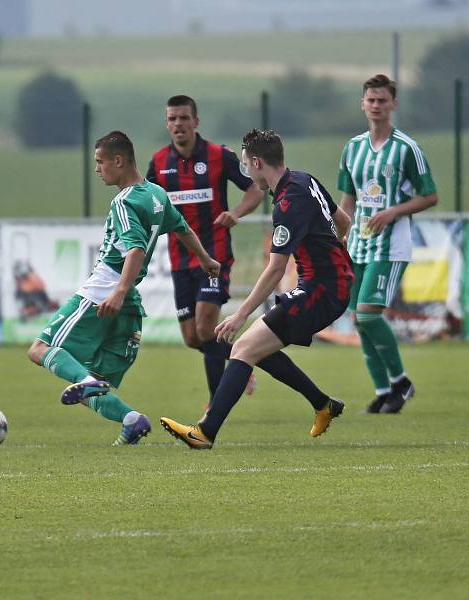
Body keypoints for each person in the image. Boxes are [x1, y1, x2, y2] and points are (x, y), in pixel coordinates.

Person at [161, 129, 354, 449]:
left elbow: (276, 267)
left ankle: (205, 432)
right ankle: (323, 404)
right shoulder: (304, 179)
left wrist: (241, 313)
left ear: (257, 161)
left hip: (323, 290)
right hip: (327, 285)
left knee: (244, 347)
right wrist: (336, 256)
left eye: (246, 165)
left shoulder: (289, 203)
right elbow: (343, 221)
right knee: (255, 347)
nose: (246, 172)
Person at [27, 130, 220, 445]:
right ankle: (131, 421)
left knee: (40, 350)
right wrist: (206, 259)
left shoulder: (124, 201)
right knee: (96, 384)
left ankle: (87, 382)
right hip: (130, 301)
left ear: (119, 161)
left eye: (100, 162)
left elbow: (135, 249)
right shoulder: (157, 194)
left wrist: (116, 291)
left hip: (103, 292)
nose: (97, 169)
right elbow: (182, 229)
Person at [146, 95, 264, 409]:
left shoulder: (218, 156)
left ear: (196, 121)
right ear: (167, 123)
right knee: (193, 338)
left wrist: (236, 213)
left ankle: (215, 405)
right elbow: (144, 201)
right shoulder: (159, 162)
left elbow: (256, 188)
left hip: (215, 255)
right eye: (172, 119)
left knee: (204, 327)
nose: (178, 124)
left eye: (184, 118)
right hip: (180, 258)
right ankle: (242, 356)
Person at [338, 74, 438, 414]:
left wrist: (395, 211)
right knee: (358, 319)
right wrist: (340, 235)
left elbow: (430, 195)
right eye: (371, 100)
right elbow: (348, 198)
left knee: (368, 314)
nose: (376, 105)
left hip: (390, 246)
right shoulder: (353, 148)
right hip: (358, 246)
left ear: (393, 104)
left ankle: (401, 381)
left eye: (383, 100)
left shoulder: (407, 148)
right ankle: (384, 391)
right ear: (362, 104)